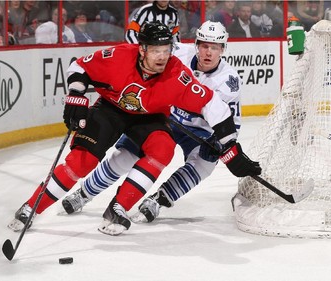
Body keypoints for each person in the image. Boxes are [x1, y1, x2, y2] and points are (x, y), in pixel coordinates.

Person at [8, 21, 261, 236]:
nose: (162, 56)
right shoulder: (118, 56)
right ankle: (33, 206)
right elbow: (80, 66)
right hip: (111, 108)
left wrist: (230, 146)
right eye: (155, 51)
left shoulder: (177, 73)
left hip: (153, 117)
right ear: (142, 50)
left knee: (162, 149)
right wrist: (76, 95)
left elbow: (212, 105)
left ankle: (118, 207)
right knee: (82, 161)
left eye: (166, 50)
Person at [62, 21, 243, 223]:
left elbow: (230, 118)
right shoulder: (176, 53)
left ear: (223, 49)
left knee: (205, 164)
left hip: (198, 130)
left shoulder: (229, 80)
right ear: (195, 44)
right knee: (126, 155)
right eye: (204, 45)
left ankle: (160, 199)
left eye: (215, 47)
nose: (208, 52)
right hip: (164, 117)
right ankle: (85, 193)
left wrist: (220, 143)